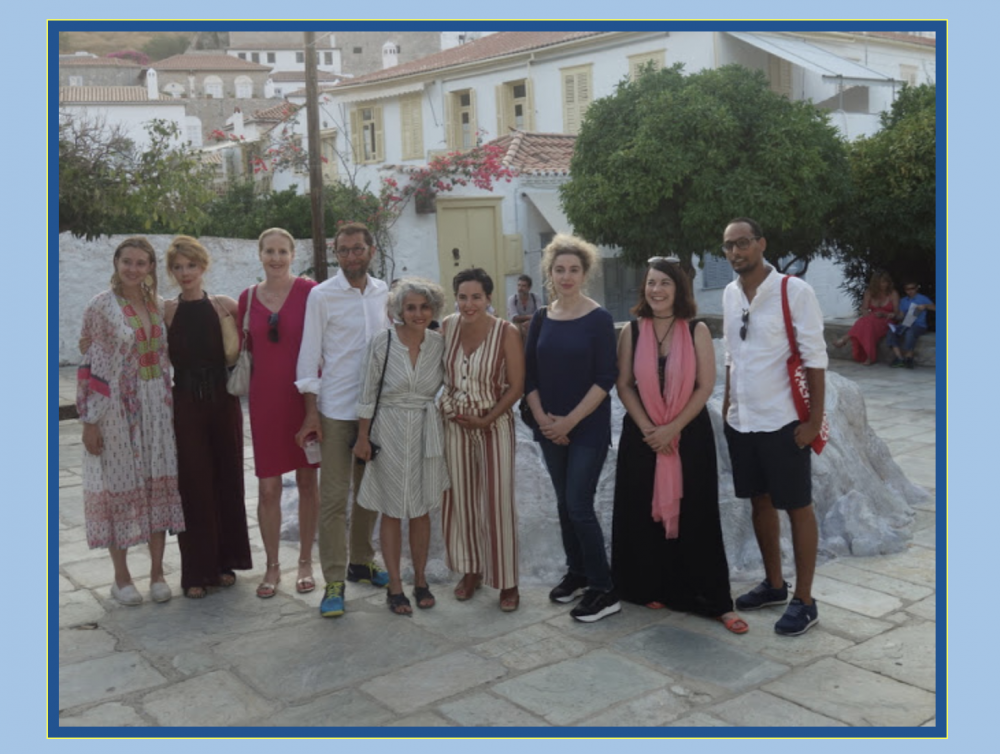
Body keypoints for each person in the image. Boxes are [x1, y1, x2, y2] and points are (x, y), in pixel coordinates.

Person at [612, 256, 747, 634]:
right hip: (643, 435)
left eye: (665, 283)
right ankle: (649, 587)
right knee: (641, 513)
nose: (656, 290)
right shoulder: (631, 331)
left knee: (696, 515)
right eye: (651, 283)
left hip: (688, 434)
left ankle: (712, 600)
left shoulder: (696, 329)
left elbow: (705, 386)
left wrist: (671, 429)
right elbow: (624, 384)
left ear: (679, 289)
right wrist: (649, 429)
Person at [721, 218, 827, 636]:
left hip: (784, 422)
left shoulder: (793, 291)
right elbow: (732, 355)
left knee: (798, 507)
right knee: (759, 503)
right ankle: (775, 585)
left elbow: (815, 358)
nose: (736, 252)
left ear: (761, 243)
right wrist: (728, 405)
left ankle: (805, 601)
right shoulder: (730, 294)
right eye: (729, 246)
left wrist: (813, 422)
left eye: (743, 243)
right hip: (743, 422)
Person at [77, 237, 185, 606]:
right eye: (127, 262)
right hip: (115, 410)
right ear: (116, 263)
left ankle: (157, 573)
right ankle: (121, 577)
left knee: (157, 486)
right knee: (118, 487)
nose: (133, 269)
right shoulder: (102, 306)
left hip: (157, 406)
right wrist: (90, 421)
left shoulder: (158, 305)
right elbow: (91, 363)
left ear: (151, 267)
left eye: (141, 263)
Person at [295, 222, 391, 618]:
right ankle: (334, 579)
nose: (351, 256)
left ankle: (361, 562)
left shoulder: (384, 292)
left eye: (357, 249)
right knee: (334, 499)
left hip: (376, 411)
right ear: (336, 254)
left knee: (369, 494)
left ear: (371, 251)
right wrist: (311, 413)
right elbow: (308, 355)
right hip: (335, 410)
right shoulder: (321, 295)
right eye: (343, 250)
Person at [523, 236, 620, 623]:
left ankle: (603, 588)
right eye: (559, 269)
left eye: (574, 270)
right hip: (549, 427)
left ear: (585, 273)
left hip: (587, 427)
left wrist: (569, 422)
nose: (566, 276)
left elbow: (605, 378)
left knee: (579, 505)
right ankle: (577, 572)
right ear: (550, 273)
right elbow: (529, 375)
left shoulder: (599, 319)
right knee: (564, 504)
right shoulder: (541, 318)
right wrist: (544, 420)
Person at [353, 278, 450, 615]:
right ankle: (395, 586)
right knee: (391, 510)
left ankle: (420, 580)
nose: (418, 313)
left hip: (426, 430)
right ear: (399, 310)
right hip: (388, 429)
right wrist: (362, 437)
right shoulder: (382, 342)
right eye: (410, 307)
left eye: (424, 307)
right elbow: (367, 392)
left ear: (434, 309)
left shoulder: (439, 344)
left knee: (421, 509)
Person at [163, 236, 252, 598]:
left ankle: (225, 562)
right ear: (171, 271)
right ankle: (196, 572)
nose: (185, 272)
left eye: (191, 265)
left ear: (203, 267)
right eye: (178, 267)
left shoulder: (225, 306)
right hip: (185, 403)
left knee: (227, 479)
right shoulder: (167, 311)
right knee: (193, 485)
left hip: (223, 400)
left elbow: (259, 338)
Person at [239, 228, 320, 599]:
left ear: (293, 254)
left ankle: (305, 562)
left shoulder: (310, 292)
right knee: (268, 488)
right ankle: (272, 566)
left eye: (282, 251)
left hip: (304, 400)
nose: (275, 258)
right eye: (269, 251)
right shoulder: (247, 298)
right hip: (265, 403)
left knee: (307, 483)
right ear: (259, 254)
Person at [439, 268, 525, 612]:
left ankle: (508, 581)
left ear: (489, 298)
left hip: (494, 423)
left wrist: (487, 419)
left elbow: (516, 386)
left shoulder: (506, 332)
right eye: (462, 297)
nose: (469, 304)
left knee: (497, 502)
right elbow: (437, 375)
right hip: (455, 424)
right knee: (460, 500)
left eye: (476, 297)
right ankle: (471, 570)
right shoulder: (446, 327)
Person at [831, 271, 899, 365]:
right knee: (866, 323)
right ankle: (869, 356)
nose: (883, 284)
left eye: (885, 282)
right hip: (872, 319)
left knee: (866, 323)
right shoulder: (869, 293)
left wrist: (885, 314)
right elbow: (864, 309)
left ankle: (844, 340)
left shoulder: (893, 293)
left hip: (887, 320)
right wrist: (867, 314)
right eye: (880, 282)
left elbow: (896, 313)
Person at [888, 280, 935, 369]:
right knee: (892, 331)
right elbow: (901, 315)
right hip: (906, 323)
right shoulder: (903, 301)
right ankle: (899, 357)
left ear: (916, 288)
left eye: (912, 288)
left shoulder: (922, 298)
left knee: (910, 332)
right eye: (907, 289)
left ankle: (909, 357)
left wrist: (925, 306)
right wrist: (895, 316)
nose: (910, 291)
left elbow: (935, 308)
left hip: (919, 325)